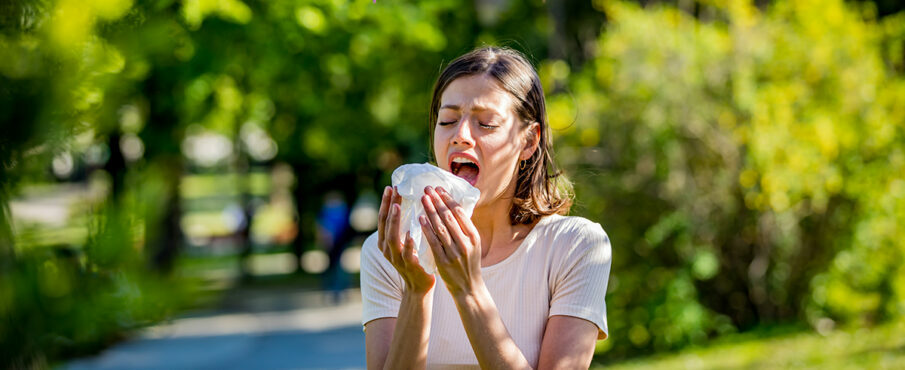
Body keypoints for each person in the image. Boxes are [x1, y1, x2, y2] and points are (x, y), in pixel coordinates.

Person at [360, 46, 612, 369]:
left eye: (486, 124)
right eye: (448, 120)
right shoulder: (390, 254)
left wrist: (468, 288)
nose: (460, 136)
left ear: (529, 141)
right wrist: (416, 290)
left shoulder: (576, 247)